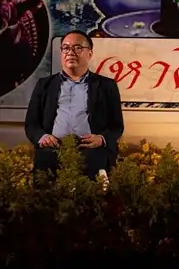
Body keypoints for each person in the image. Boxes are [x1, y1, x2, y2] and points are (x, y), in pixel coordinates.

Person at [24, 30, 124, 179]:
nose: (70, 52)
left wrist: (101, 139)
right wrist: (42, 137)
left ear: (89, 54)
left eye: (77, 48)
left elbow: (117, 126)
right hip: (53, 148)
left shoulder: (106, 86)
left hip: (91, 149)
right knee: (44, 170)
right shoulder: (44, 85)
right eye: (66, 48)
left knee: (95, 173)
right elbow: (31, 124)